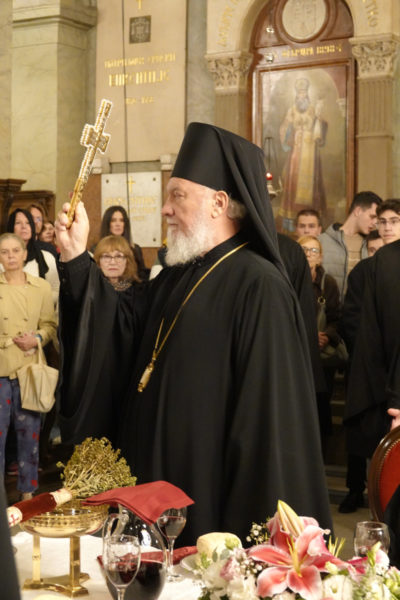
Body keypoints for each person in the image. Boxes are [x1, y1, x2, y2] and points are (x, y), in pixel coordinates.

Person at [56, 122, 332, 545]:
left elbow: (268, 428)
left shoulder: (259, 287)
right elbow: (122, 326)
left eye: (177, 196)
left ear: (219, 203)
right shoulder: (178, 275)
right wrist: (78, 257)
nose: (165, 209)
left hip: (208, 498)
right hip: (152, 489)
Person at [339, 199, 400, 513]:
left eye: (394, 221)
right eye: (383, 221)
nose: (387, 227)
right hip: (374, 368)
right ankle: (357, 490)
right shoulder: (373, 268)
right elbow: (356, 320)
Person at [0, 233, 57, 500]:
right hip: (1, 369)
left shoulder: (41, 287)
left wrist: (37, 339)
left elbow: (50, 325)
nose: (10, 256)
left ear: (25, 254)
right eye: (4, 252)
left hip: (29, 370)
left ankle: (28, 496)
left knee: (29, 437)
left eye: (15, 250)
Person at [298, 235, 342, 457]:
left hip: (322, 357)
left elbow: (337, 318)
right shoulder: (288, 279)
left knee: (320, 407)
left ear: (321, 256)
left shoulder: (328, 284)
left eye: (313, 250)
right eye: (304, 249)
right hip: (297, 354)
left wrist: (326, 336)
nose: (309, 254)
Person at [278, 78, 327, 233]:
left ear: (307, 94)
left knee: (311, 183)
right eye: (299, 93)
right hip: (297, 149)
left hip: (310, 150)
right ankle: (291, 221)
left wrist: (319, 120)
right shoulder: (292, 110)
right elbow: (284, 127)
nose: (302, 95)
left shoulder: (313, 109)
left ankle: (311, 221)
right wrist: (290, 135)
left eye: (304, 92)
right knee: (292, 180)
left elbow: (321, 125)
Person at [320, 191, 382, 301]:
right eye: (372, 216)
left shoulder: (372, 244)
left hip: (359, 308)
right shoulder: (322, 241)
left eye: (377, 219)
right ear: (358, 211)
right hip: (327, 308)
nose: (374, 223)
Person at [6, 209, 59, 306]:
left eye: (28, 223)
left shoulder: (46, 257)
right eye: (18, 223)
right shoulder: (3, 258)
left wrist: (37, 301)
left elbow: (56, 290)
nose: (24, 226)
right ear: (11, 227)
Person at [98, 206, 149, 281]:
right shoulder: (97, 248)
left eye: (121, 220)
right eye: (113, 220)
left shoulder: (135, 249)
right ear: (107, 223)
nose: (118, 224)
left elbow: (141, 275)